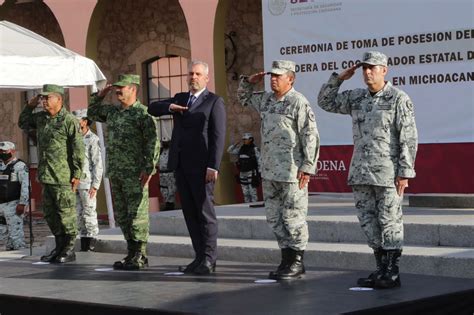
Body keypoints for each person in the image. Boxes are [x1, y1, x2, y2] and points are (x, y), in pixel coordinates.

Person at [317, 51, 418, 289]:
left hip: (388, 173)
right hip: (361, 172)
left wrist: (405, 172)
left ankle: (392, 271)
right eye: (364, 68)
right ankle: (380, 268)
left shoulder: (397, 98)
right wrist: (339, 79)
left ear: (384, 70)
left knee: (389, 221)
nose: (367, 72)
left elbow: (409, 137)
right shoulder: (357, 97)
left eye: (372, 67)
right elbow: (325, 102)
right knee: (368, 222)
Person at [237, 60, 320, 280]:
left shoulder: (298, 102)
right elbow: (243, 99)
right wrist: (248, 81)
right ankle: (286, 259)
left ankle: (297, 261)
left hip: (292, 172)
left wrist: (308, 166)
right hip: (270, 171)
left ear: (290, 79)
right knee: (275, 218)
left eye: (278, 76)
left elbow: (310, 136)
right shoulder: (265, 100)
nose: (273, 79)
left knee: (293, 218)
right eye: (271, 76)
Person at [148, 60, 226, 275]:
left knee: (205, 214)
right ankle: (199, 257)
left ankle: (210, 259)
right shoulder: (181, 98)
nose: (193, 77)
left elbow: (218, 137)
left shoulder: (214, 102)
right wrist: (170, 107)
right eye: (191, 73)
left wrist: (213, 166)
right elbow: (152, 108)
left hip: (202, 168)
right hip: (181, 165)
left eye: (198, 74)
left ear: (206, 78)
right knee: (190, 214)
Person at [87, 74, 159, 270]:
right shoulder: (114, 113)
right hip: (117, 173)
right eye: (116, 87)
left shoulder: (143, 114)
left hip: (135, 174)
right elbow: (92, 113)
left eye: (122, 87)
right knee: (124, 216)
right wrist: (99, 96)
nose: (118, 91)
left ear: (133, 89)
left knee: (137, 215)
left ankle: (140, 255)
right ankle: (130, 252)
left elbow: (153, 143)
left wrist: (149, 169)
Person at [18, 84, 84, 263]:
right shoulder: (41, 118)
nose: (44, 101)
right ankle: (59, 246)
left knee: (66, 213)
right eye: (43, 98)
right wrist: (30, 106)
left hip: (63, 177)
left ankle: (69, 250)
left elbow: (78, 150)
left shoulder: (69, 120)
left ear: (59, 99)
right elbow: (23, 122)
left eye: (48, 98)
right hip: (46, 175)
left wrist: (77, 174)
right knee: (50, 213)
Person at [71, 109, 103, 252]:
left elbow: (97, 163)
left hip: (87, 182)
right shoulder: (73, 138)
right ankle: (83, 239)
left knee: (89, 212)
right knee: (77, 213)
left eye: (78, 120)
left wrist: (95, 185)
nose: (76, 123)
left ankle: (92, 240)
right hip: (74, 182)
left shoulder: (93, 139)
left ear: (85, 121)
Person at [0, 141, 28, 250]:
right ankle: (10, 255)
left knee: (15, 235)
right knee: (4, 235)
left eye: (4, 151)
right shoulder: (1, 166)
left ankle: (20, 257)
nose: (2, 153)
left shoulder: (20, 166)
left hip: (13, 204)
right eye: (0, 151)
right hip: (1, 204)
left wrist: (22, 203)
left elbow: (25, 186)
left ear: (12, 151)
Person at [227, 132, 261, 203]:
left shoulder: (255, 149)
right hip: (242, 172)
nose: (244, 141)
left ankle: (255, 207)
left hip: (251, 173)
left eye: (246, 139)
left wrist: (259, 172)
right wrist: (235, 144)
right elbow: (229, 150)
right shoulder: (241, 149)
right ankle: (247, 208)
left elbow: (259, 161)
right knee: (245, 193)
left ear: (251, 139)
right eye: (243, 139)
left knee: (253, 192)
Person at [158, 138, 177, 211]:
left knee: (171, 188)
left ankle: (170, 204)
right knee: (163, 188)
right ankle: (166, 203)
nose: (164, 143)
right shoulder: (161, 151)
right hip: (162, 173)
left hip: (170, 172)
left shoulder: (172, 151)